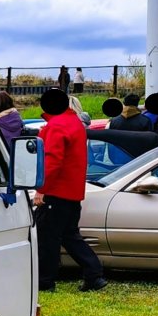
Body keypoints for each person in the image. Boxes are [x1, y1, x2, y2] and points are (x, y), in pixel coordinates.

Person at [33, 88, 106, 293]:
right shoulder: (74, 123)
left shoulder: (55, 126)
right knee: (69, 235)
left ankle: (45, 280)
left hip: (56, 191)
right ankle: (93, 273)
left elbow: (52, 161)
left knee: (47, 237)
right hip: (72, 191)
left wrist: (41, 189)